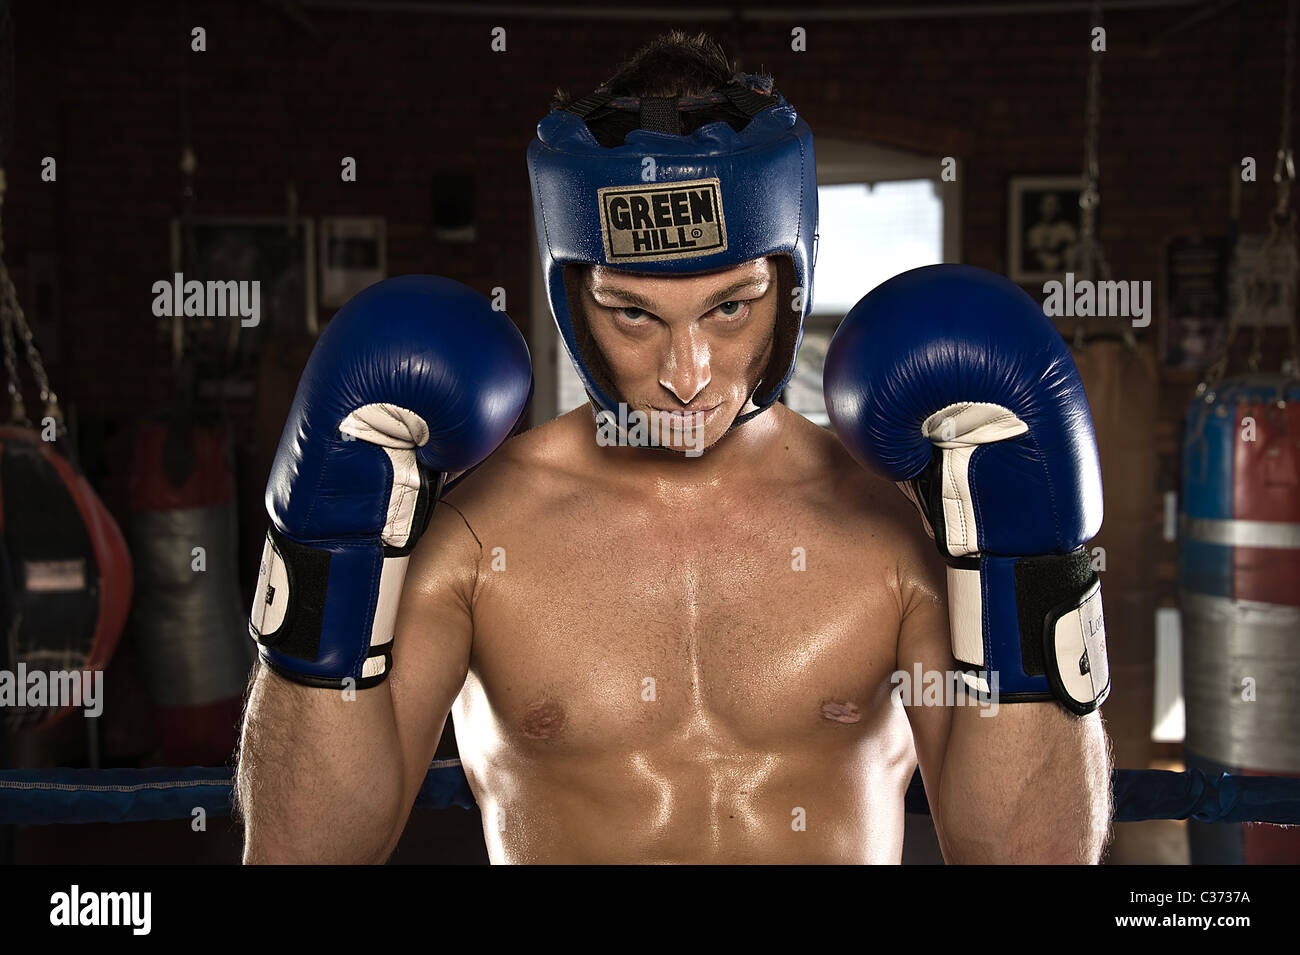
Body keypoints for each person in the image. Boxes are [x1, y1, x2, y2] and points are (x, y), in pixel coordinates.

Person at [237, 31, 1112, 864]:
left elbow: (1032, 854)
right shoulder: (478, 537)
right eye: (634, 314)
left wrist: (1029, 560)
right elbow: (305, 850)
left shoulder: (893, 526)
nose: (687, 375)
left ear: (792, 281)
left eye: (730, 308)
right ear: (573, 300)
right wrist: (327, 548)